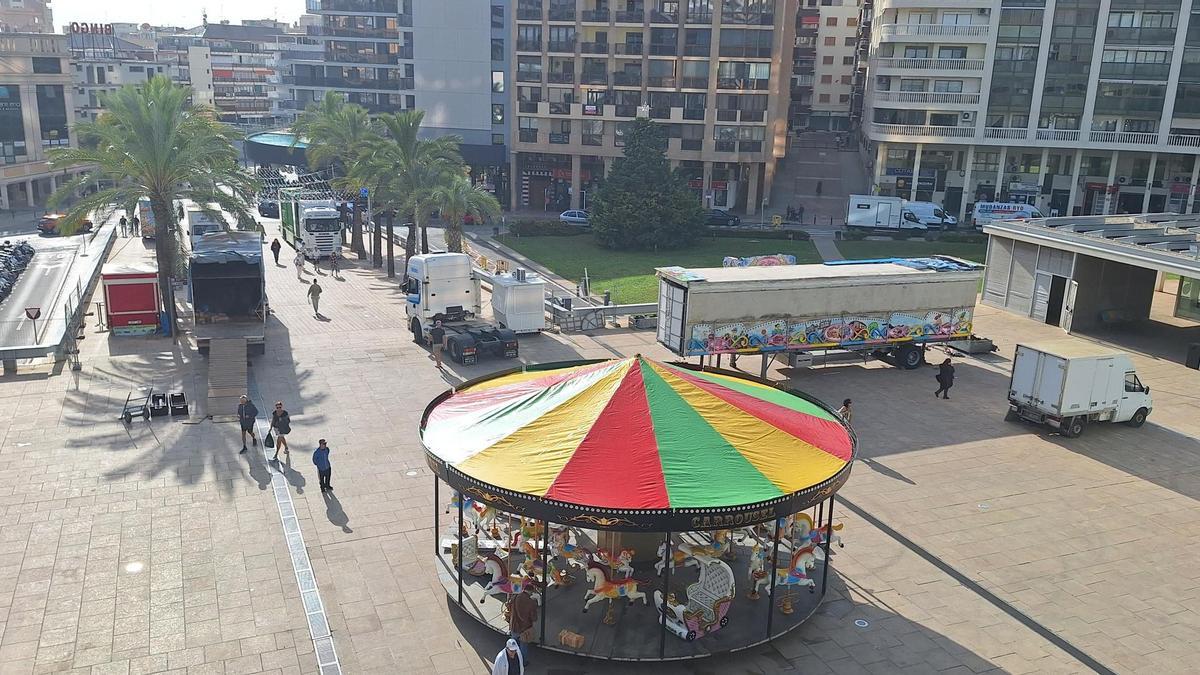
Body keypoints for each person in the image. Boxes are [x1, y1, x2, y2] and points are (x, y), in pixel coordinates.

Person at [505, 585, 538, 666]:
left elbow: (508, 606)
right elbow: (534, 618)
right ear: (530, 591)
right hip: (524, 629)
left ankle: (511, 660)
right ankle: (523, 662)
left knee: (512, 644)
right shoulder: (531, 602)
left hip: (514, 626)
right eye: (532, 592)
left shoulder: (515, 597)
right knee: (523, 646)